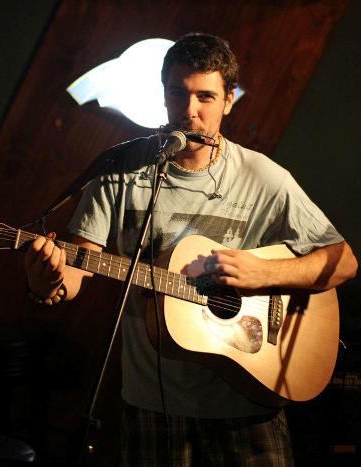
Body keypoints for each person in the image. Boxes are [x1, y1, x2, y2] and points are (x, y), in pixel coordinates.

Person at [25, 33, 358, 466]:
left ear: (229, 101)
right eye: (177, 93)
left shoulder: (264, 177)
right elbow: (78, 268)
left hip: (247, 398)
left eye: (205, 96)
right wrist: (47, 280)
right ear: (162, 94)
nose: (189, 111)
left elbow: (344, 261)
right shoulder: (120, 169)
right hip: (152, 401)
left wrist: (264, 273)